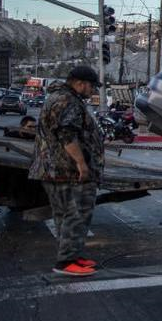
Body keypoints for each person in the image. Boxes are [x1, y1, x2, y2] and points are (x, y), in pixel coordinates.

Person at [27, 66, 105, 277]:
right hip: (67, 171)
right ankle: (66, 261)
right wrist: (81, 164)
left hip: (56, 170)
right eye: (92, 86)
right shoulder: (67, 101)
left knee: (65, 215)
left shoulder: (61, 97)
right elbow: (66, 134)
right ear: (80, 83)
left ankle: (72, 255)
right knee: (76, 215)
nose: (93, 91)